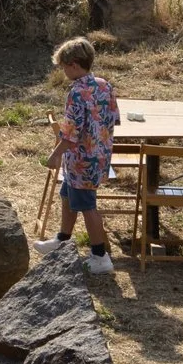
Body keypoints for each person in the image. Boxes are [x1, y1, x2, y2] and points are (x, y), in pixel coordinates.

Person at [38, 35, 119, 274]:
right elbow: (113, 118)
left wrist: (55, 155)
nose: (62, 71)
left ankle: (100, 256)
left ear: (74, 64)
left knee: (87, 205)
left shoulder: (76, 92)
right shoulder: (105, 85)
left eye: (63, 66)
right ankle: (63, 240)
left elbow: (71, 133)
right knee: (67, 196)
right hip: (100, 156)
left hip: (82, 160)